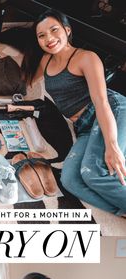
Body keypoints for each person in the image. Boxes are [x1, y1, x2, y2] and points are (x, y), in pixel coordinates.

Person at [21, 9, 126, 216]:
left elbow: (102, 102)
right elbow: (27, 85)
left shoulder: (86, 58)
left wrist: (112, 146)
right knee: (70, 180)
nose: (49, 38)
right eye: (41, 35)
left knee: (93, 174)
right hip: (84, 127)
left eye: (54, 30)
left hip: (112, 111)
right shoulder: (46, 61)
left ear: (67, 30)